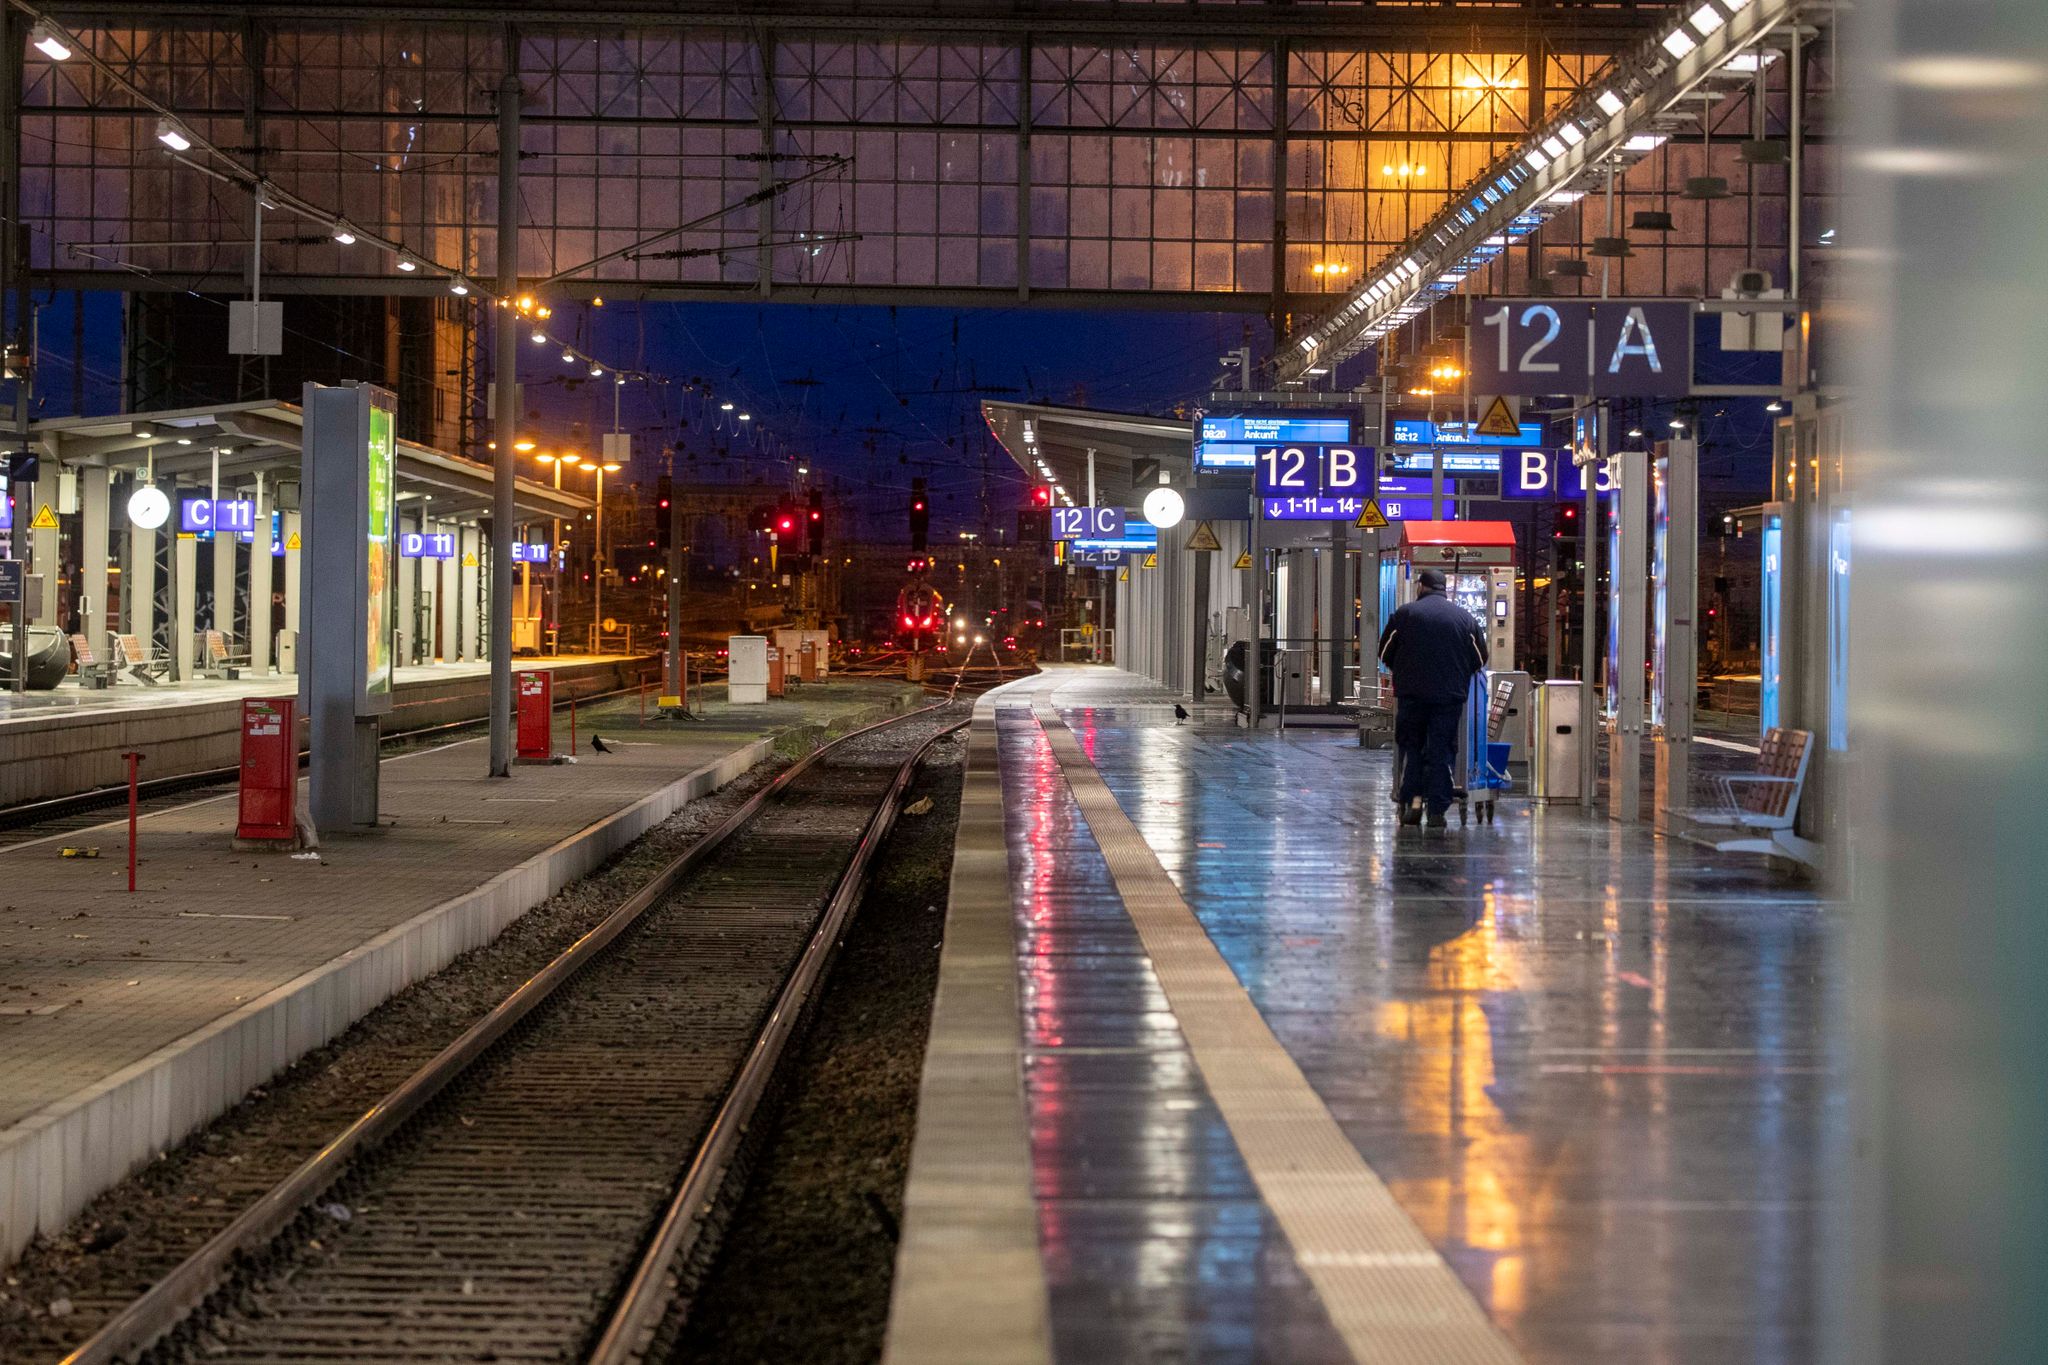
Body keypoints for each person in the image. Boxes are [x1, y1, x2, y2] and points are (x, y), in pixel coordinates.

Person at [1377, 567, 1489, 827]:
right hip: (1448, 698)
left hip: (1411, 696)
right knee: (1441, 750)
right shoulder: (1464, 618)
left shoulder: (1404, 615)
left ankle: (1413, 803)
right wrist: (1457, 674)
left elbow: (1384, 652)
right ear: (1444, 589)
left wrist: (1404, 671)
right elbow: (1480, 658)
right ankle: (1438, 811)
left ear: (1421, 586)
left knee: (1413, 747)